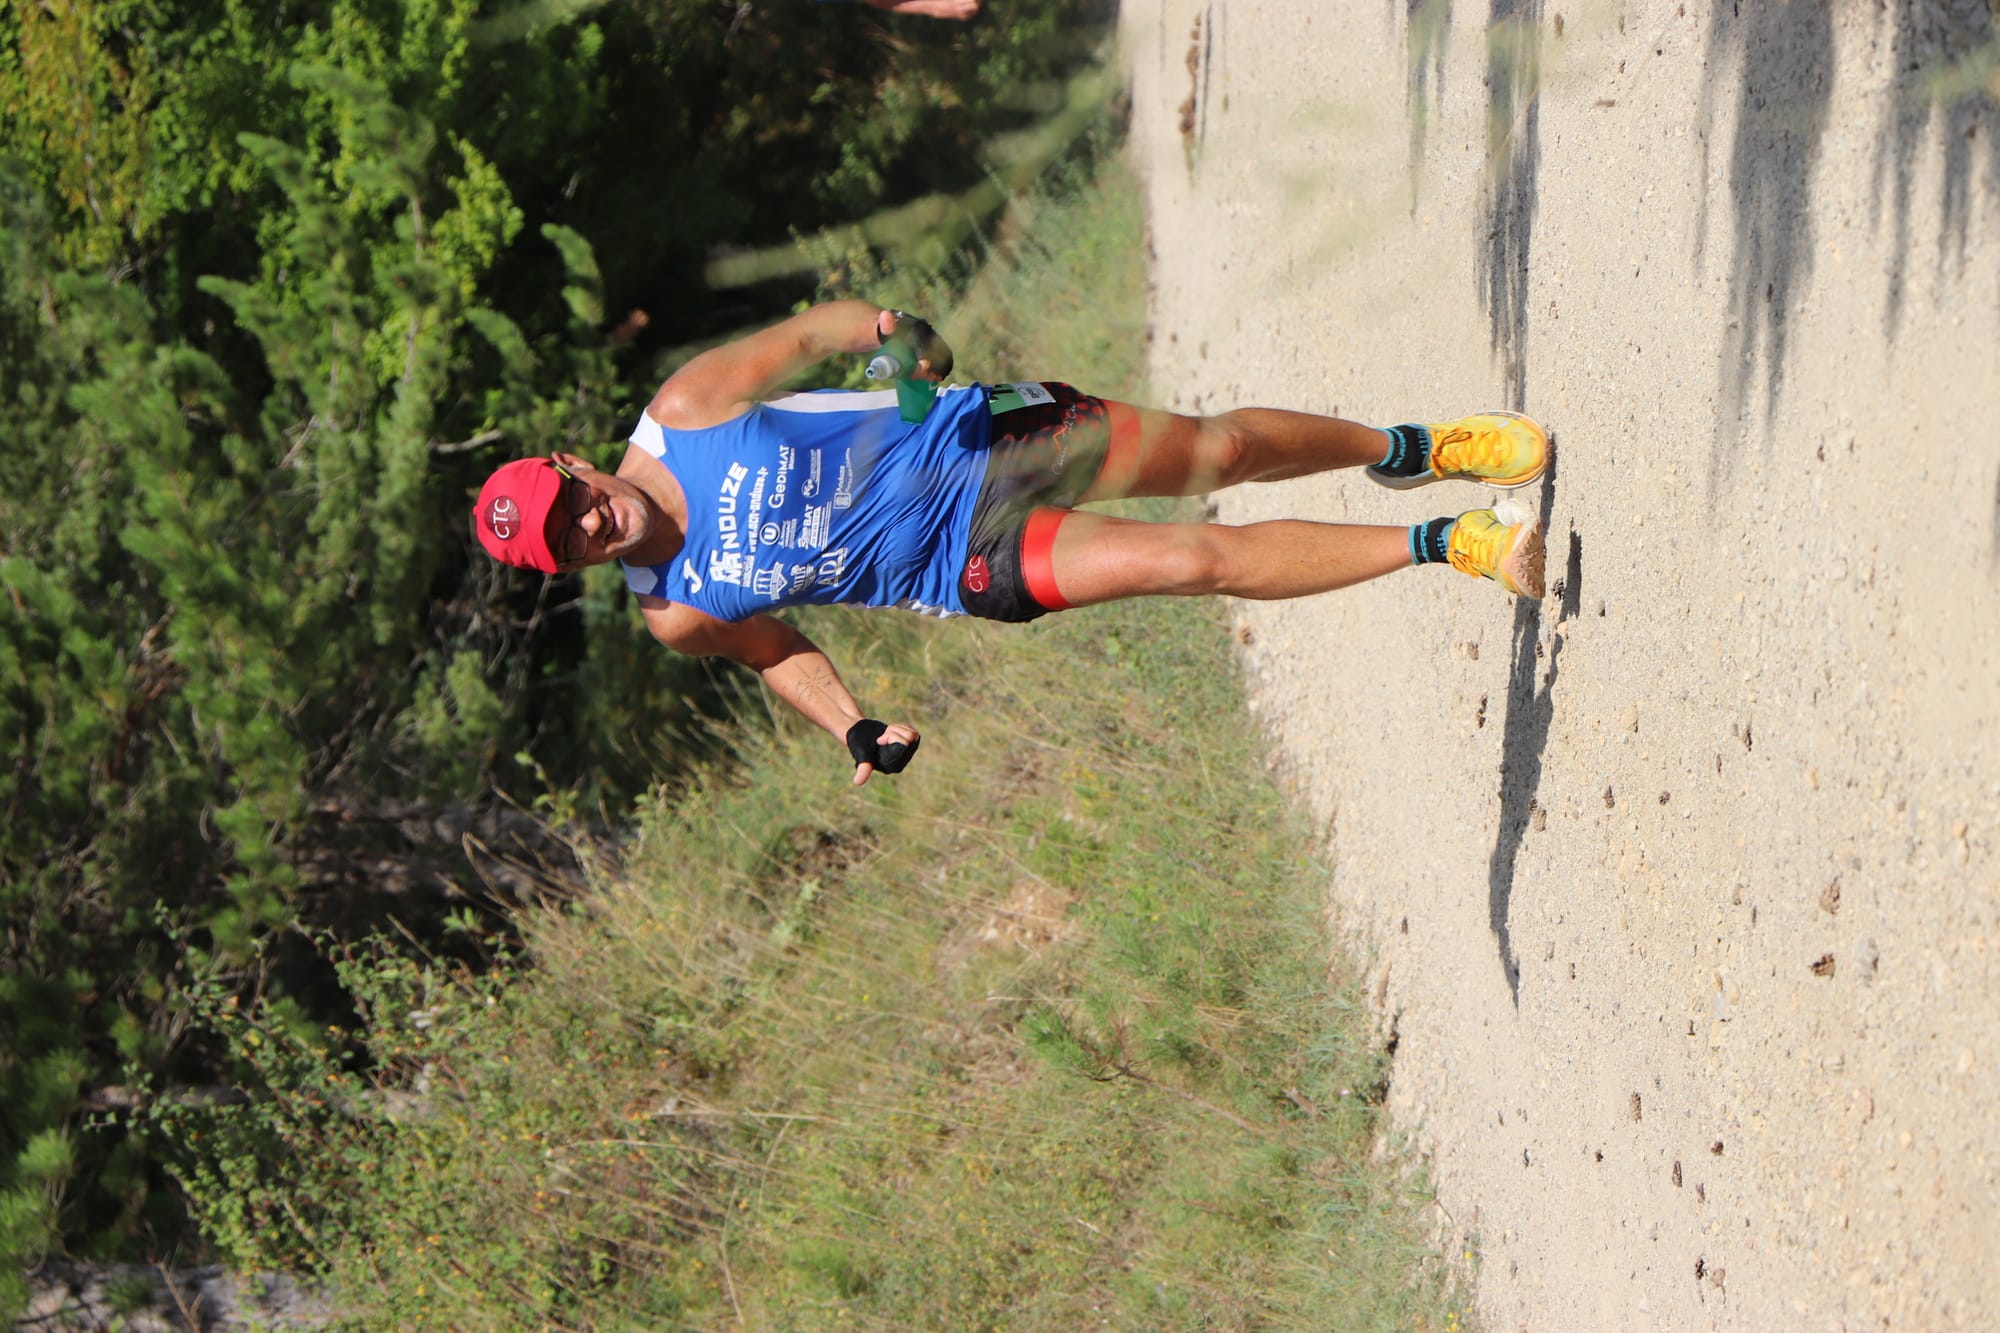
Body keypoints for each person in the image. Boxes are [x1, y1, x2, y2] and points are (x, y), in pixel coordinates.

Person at [472, 301, 1547, 785]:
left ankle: (1412, 444)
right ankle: (1448, 542)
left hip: (984, 435)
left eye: (571, 503)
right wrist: (853, 728)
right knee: (1187, 563)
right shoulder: (677, 611)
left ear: (570, 464)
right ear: (568, 570)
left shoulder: (686, 406)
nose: (587, 524)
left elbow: (817, 333)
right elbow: (775, 652)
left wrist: (898, 337)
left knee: (1214, 453)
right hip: (961, 564)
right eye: (568, 546)